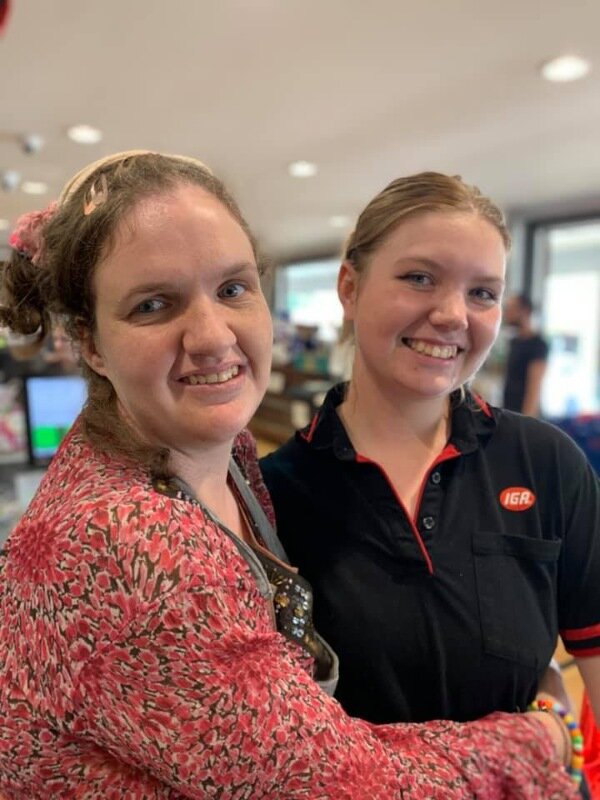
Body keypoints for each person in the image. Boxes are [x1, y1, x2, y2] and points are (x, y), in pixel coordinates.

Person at [0, 153, 578, 799]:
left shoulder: (234, 467)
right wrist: (545, 737)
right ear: (90, 342)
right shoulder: (130, 538)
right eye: (153, 305)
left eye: (232, 289)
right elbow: (344, 785)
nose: (212, 336)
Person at [260, 171, 600, 790]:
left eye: (482, 292)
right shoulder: (274, 496)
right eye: (419, 277)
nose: (451, 315)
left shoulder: (546, 463)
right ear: (349, 287)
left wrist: (563, 735)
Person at [502, 292, 549, 416]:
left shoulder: (538, 344)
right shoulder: (514, 342)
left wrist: (526, 422)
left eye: (511, 309)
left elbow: (534, 389)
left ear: (525, 311)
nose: (507, 313)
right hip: (509, 413)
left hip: (525, 416)